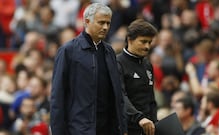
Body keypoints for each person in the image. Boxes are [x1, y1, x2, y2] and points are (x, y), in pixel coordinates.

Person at [50, 3, 126, 135]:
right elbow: (58, 96)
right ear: (86, 21)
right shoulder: (68, 51)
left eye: (108, 23)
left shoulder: (109, 51)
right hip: (79, 129)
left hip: (108, 129)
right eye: (101, 22)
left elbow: (117, 94)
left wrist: (123, 127)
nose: (105, 27)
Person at [117, 19, 158, 135]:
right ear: (130, 39)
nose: (147, 47)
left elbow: (151, 99)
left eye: (149, 42)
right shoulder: (117, 63)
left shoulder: (147, 64)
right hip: (126, 129)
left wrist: (154, 122)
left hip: (147, 129)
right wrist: (139, 118)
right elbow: (120, 97)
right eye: (143, 41)